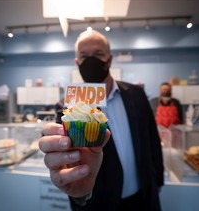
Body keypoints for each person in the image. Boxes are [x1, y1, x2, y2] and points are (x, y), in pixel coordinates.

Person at [39, 30, 164, 211]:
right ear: (77, 63)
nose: (91, 60)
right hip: (99, 204)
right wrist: (79, 193)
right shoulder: (68, 108)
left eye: (98, 54)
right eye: (84, 56)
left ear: (110, 59)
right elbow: (68, 163)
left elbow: (153, 139)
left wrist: (158, 180)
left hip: (144, 198)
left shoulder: (136, 94)